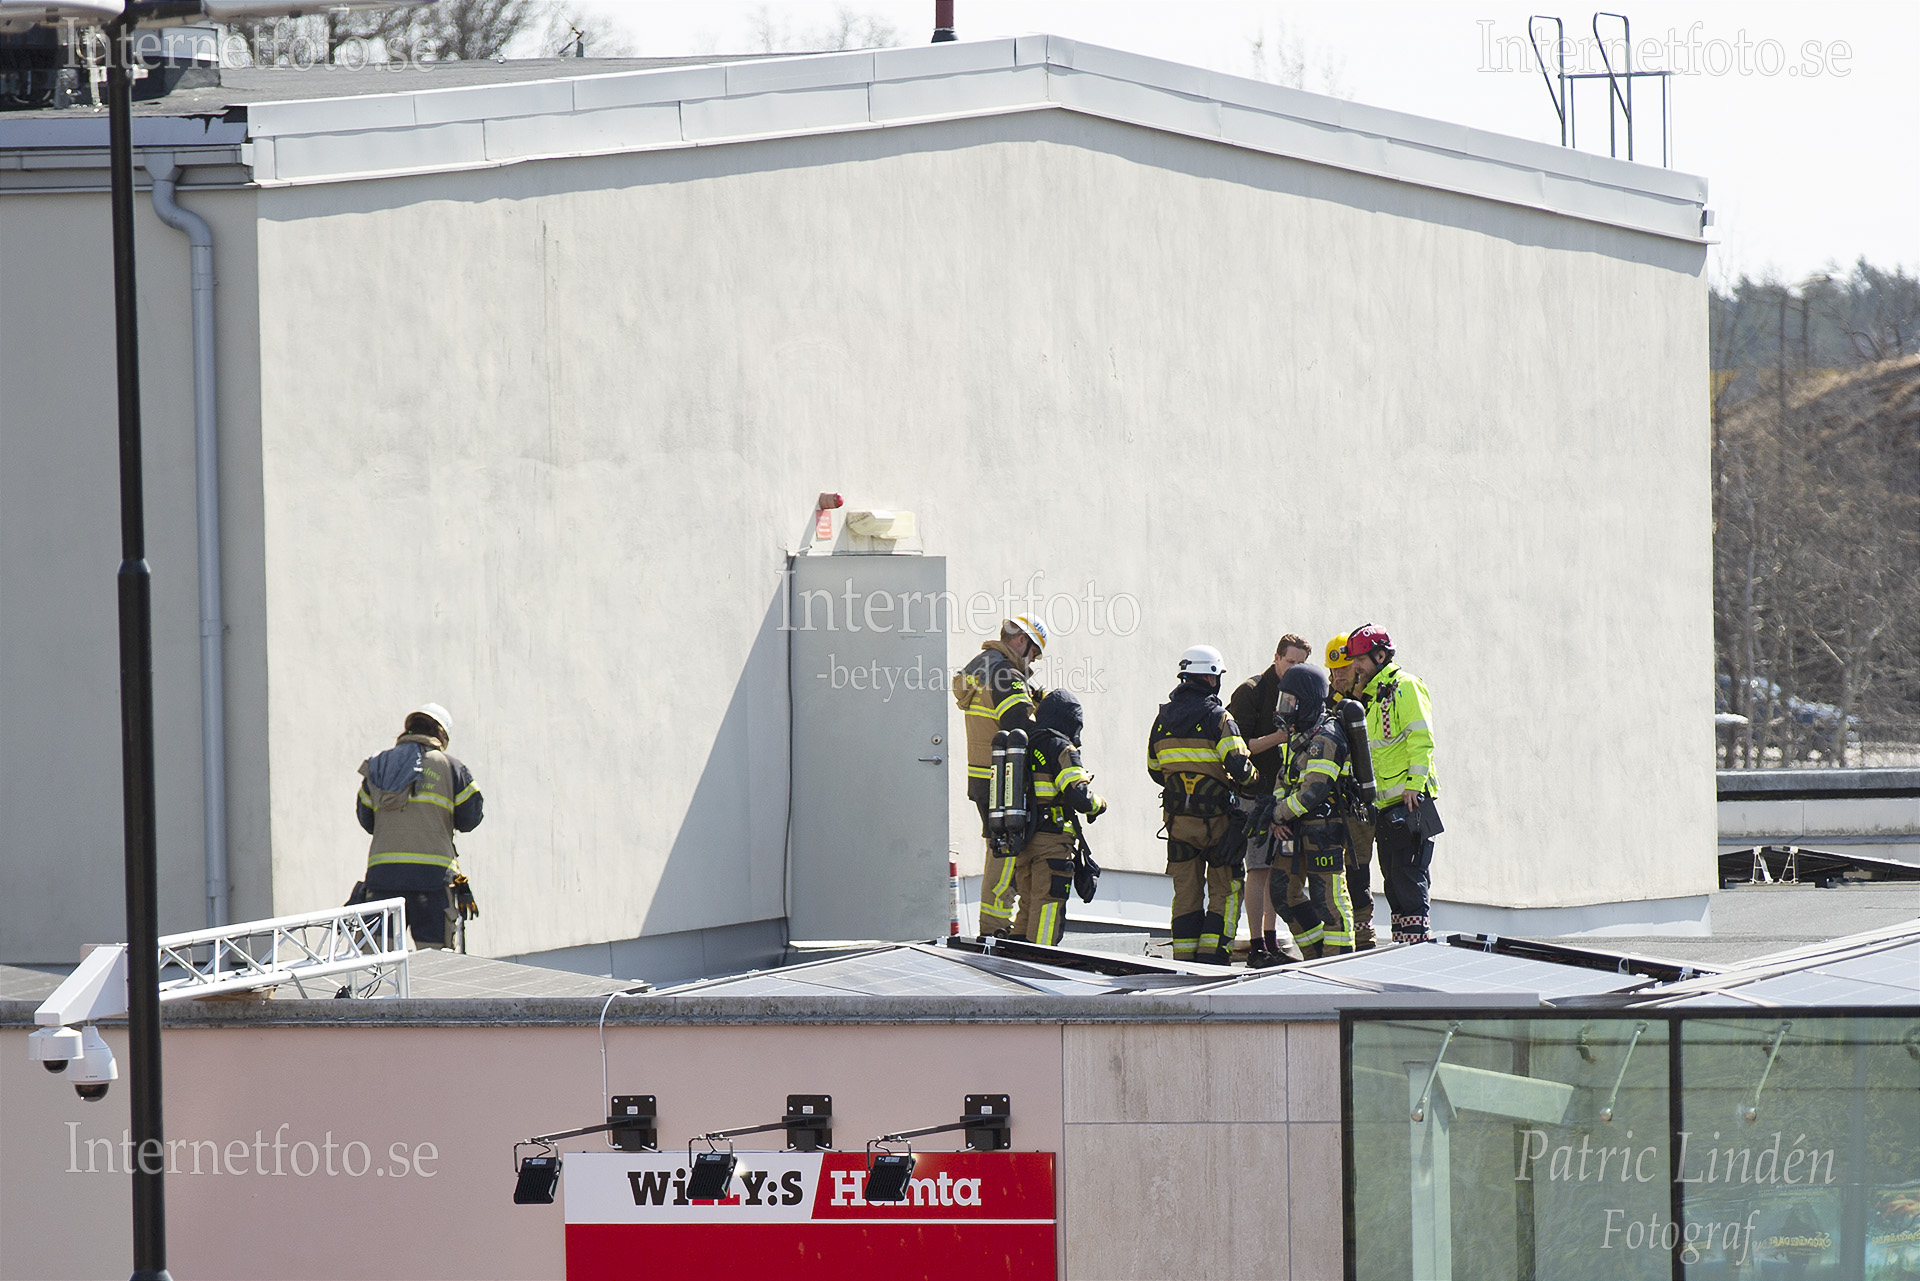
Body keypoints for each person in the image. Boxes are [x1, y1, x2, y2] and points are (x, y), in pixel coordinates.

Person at [1148, 645, 1254, 964]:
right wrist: (1253, 777)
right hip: (1217, 825)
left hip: (1178, 825)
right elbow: (1239, 767)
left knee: (1186, 894)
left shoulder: (1162, 718)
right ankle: (1213, 955)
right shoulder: (1218, 717)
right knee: (1227, 888)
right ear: (1212, 678)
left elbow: (1155, 770)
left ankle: (1184, 959)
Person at [356, 702, 483, 949]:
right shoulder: (451, 768)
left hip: (384, 878)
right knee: (434, 963)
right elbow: (471, 818)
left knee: (379, 962)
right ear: (442, 734)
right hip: (433, 880)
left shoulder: (378, 764)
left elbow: (366, 819)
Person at [1343, 625, 1441, 943]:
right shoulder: (1369, 697)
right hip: (1384, 807)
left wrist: (1415, 783)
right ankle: (1404, 949)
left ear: (1379, 655)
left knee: (1409, 881)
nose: (1354, 667)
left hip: (1409, 801)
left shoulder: (1405, 686)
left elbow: (1421, 738)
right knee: (1393, 884)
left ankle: (1418, 954)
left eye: (1359, 659)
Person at [953, 615, 1047, 937]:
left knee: (1000, 847)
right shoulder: (1006, 674)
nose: (1032, 660)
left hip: (984, 777)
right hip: (1005, 778)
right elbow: (1022, 727)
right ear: (1021, 641)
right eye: (1034, 653)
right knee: (1006, 853)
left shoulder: (983, 667)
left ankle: (997, 926)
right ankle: (995, 930)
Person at [1228, 634, 1312, 967]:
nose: (1296, 670)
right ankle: (1256, 943)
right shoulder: (1250, 692)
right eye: (1291, 662)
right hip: (1255, 796)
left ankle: (1270, 938)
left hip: (1287, 797)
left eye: (1302, 664)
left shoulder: (1302, 693)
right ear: (1276, 657)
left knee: (1279, 870)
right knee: (1259, 869)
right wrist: (1278, 738)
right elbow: (1239, 746)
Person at [1268, 663, 1358, 958]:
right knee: (1283, 893)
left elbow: (1314, 791)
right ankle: (1315, 956)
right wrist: (1276, 815)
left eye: (1291, 701)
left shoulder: (1326, 736)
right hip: (1295, 828)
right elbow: (1285, 779)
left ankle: (1338, 961)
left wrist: (1280, 814)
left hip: (1324, 829)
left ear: (1306, 701)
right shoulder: (1300, 734)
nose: (1286, 708)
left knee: (1328, 900)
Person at [1015, 689, 1108, 944]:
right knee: (1047, 906)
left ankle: (1014, 962)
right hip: (1052, 843)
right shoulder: (1061, 747)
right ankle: (1040, 963)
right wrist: (1099, 805)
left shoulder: (1027, 742)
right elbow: (1079, 796)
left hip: (1023, 841)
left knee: (1028, 905)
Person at [1325, 632, 1377, 950]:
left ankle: (1364, 931)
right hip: (1333, 801)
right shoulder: (1325, 704)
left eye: (1343, 669)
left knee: (1359, 867)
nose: (1337, 676)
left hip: (1360, 802)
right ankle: (1342, 931)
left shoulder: (1367, 702)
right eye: (1333, 671)